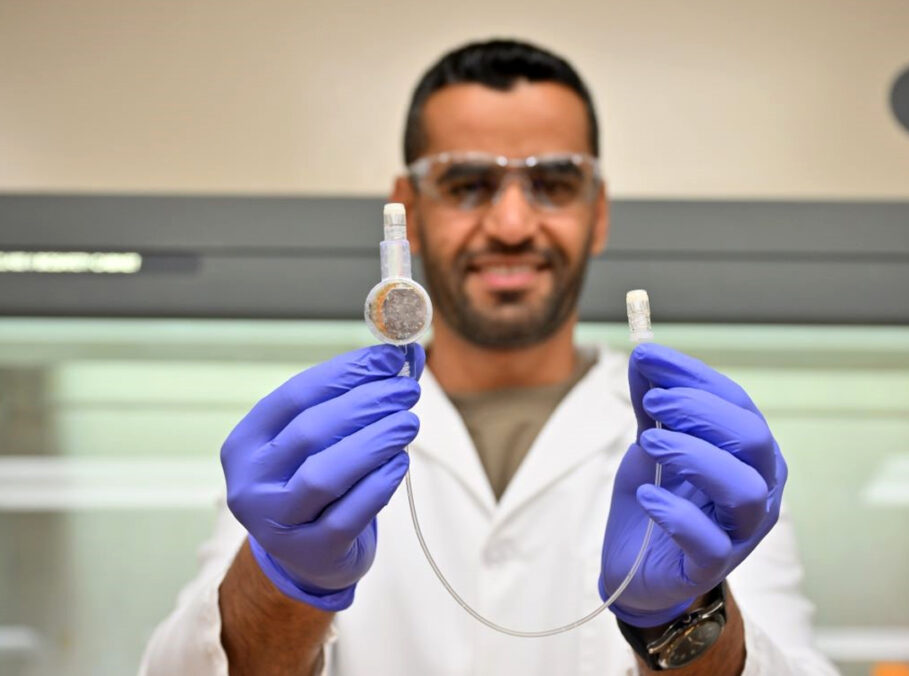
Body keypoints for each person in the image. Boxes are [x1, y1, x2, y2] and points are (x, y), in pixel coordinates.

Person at [140, 39, 838, 676]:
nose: (510, 224)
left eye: (555, 183)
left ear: (598, 213)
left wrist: (686, 623)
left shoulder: (690, 451)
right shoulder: (316, 444)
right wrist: (282, 579)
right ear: (406, 212)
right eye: (467, 183)